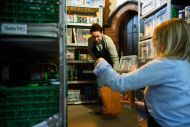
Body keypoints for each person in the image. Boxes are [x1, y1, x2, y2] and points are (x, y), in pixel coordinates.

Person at [93, 18, 190, 127]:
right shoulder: (185, 64)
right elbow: (174, 99)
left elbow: (119, 83)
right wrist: (147, 107)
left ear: (163, 42)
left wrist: (101, 64)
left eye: (156, 40)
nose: (154, 45)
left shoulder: (162, 65)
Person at [88, 23, 119, 114]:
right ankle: (103, 108)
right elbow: (91, 53)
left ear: (102, 33)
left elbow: (115, 59)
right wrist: (97, 62)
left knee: (111, 88)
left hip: (111, 67)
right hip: (100, 67)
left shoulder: (108, 41)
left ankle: (112, 108)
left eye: (98, 36)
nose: (96, 39)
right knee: (100, 88)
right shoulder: (90, 41)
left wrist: (114, 74)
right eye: (94, 37)